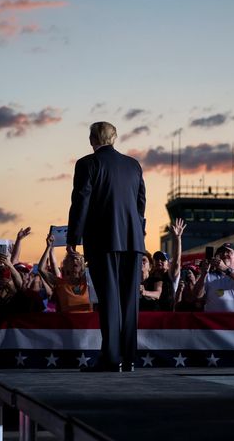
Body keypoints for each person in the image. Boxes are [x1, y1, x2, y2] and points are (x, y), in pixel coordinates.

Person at [66, 121, 146, 372]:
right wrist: (136, 229)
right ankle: (130, 358)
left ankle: (111, 358)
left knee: (110, 300)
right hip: (133, 241)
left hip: (103, 240)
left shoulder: (87, 164)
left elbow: (81, 201)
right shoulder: (133, 165)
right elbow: (140, 202)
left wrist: (73, 238)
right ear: (114, 138)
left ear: (92, 139)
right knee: (129, 301)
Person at [38, 234, 92, 313]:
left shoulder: (88, 281)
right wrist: (48, 246)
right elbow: (41, 269)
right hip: (67, 323)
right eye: (71, 259)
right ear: (66, 265)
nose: (74, 261)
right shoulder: (60, 283)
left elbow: (98, 265)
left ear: (82, 265)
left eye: (77, 259)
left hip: (87, 322)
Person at [193, 243, 234, 312]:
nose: (224, 254)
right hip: (214, 322)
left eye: (229, 252)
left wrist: (225, 268)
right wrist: (203, 273)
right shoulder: (209, 276)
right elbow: (197, 295)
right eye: (221, 252)